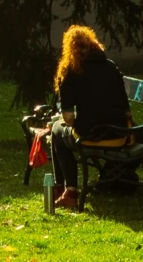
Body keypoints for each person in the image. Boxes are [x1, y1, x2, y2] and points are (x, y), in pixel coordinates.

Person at [49, 24, 134, 210]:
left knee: (56, 130)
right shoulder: (111, 67)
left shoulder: (70, 72)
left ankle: (67, 189)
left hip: (90, 135)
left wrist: (66, 122)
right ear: (94, 44)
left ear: (69, 49)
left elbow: (69, 117)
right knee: (61, 129)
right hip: (118, 136)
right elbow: (126, 110)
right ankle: (61, 189)